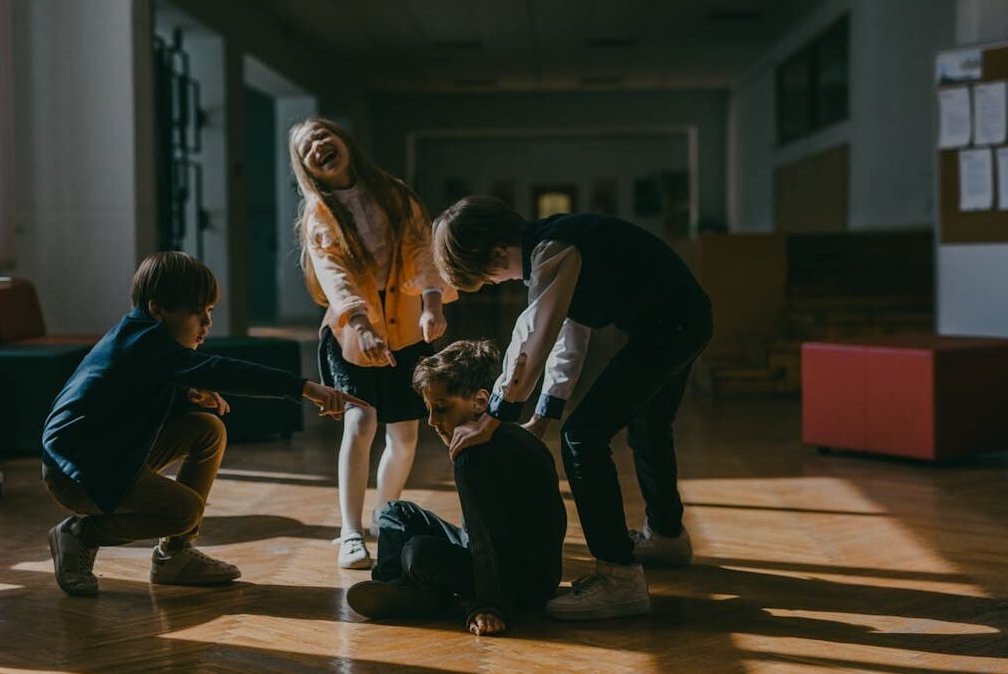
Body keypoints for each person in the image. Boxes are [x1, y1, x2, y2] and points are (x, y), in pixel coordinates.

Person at [432, 196, 713, 620]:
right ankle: (667, 536)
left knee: (583, 436)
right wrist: (542, 416)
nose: (499, 283)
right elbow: (568, 338)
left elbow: (534, 335)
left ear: (494, 254)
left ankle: (619, 576)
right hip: (682, 320)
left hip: (669, 327)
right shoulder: (558, 244)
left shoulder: (552, 250)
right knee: (648, 424)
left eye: (489, 279)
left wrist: (495, 416)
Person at [41, 251, 365, 597]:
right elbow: (220, 369)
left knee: (206, 429)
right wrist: (303, 388)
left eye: (209, 311)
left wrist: (185, 397)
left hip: (108, 455)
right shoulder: (142, 344)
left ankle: (174, 557)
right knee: (185, 510)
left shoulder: (142, 338)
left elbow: (124, 400)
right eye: (198, 313)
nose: (207, 324)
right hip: (77, 474)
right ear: (157, 309)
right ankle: (78, 535)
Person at [289, 118, 457, 569]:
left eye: (324, 136)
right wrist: (360, 323)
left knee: (404, 436)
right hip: (350, 332)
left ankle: (388, 518)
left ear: (344, 141)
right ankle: (349, 530)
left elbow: (424, 251)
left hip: (404, 330)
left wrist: (432, 303)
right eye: (307, 148)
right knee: (360, 422)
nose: (319, 146)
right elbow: (334, 275)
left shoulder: (394, 194)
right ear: (307, 169)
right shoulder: (319, 214)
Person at [346, 340, 565, 636]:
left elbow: (484, 535)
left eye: (441, 407)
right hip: (508, 560)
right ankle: (396, 588)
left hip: (519, 581)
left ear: (480, 401)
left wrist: (487, 605)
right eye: (429, 410)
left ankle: (416, 593)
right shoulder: (509, 436)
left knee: (416, 552)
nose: (433, 422)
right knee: (394, 511)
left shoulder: (472, 455)